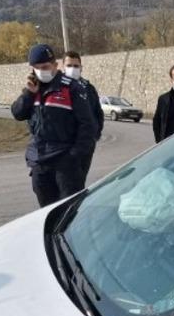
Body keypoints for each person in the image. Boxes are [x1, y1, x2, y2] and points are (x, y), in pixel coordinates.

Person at [10, 43, 98, 207]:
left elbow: (88, 126)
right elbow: (17, 113)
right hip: (39, 161)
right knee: (46, 212)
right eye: (37, 68)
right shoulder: (32, 90)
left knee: (68, 212)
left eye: (45, 67)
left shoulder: (71, 88)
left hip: (65, 162)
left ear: (55, 65)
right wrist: (29, 93)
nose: (41, 71)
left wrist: (74, 156)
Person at [64, 51, 104, 141]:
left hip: (84, 142)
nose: (72, 69)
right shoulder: (56, 87)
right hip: (62, 143)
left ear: (81, 68)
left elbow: (98, 113)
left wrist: (95, 134)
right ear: (63, 67)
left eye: (76, 66)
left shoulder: (89, 89)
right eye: (69, 66)